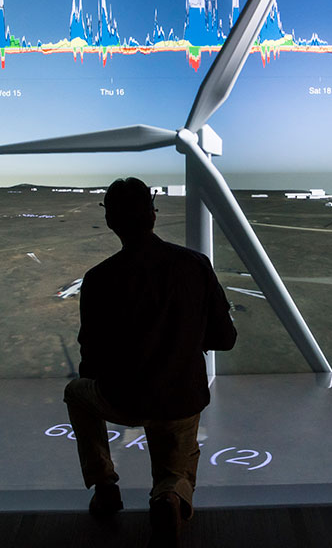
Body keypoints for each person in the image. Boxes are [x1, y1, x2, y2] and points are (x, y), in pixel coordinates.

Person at [64, 177, 237, 548]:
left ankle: (105, 484)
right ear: (153, 215)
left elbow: (89, 356)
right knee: (176, 468)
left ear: (111, 221)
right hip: (180, 397)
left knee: (76, 393)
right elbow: (225, 339)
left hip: (122, 397)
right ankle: (169, 499)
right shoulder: (195, 265)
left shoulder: (97, 279)